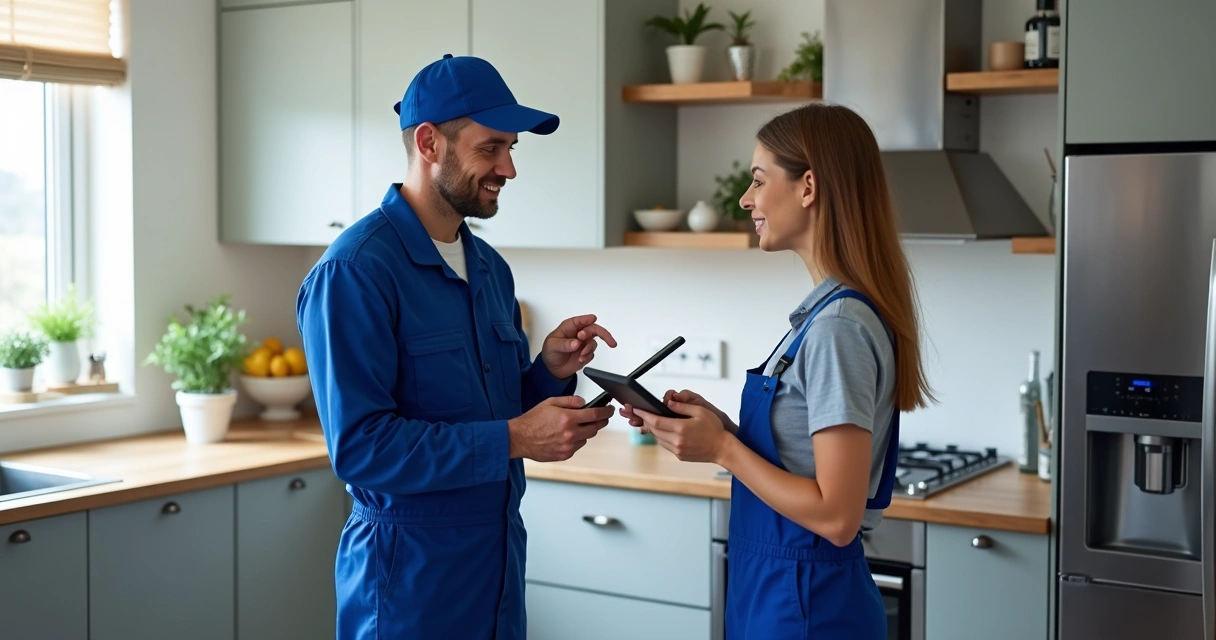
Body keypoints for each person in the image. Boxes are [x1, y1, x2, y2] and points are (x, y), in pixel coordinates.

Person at [296, 53, 617, 640]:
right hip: (407, 582)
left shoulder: (490, 268)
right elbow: (362, 448)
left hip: (495, 565)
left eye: (512, 148)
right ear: (428, 143)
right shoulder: (356, 272)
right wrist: (517, 438)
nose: (509, 168)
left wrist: (545, 372)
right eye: (490, 148)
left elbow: (484, 408)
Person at [623, 103, 935, 639]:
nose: (746, 199)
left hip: (807, 603)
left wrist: (723, 450)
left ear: (808, 186)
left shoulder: (838, 327)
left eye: (759, 180)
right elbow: (802, 463)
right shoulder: (823, 315)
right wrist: (720, 430)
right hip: (777, 589)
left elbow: (835, 516)